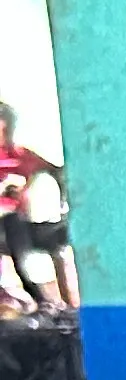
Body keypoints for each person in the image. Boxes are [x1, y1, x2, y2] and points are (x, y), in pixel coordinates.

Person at [0, 98, 75, 313]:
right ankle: (42, 299)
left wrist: (31, 185)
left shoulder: (20, 155)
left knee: (33, 239)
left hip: (17, 218)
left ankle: (49, 302)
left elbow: (56, 170)